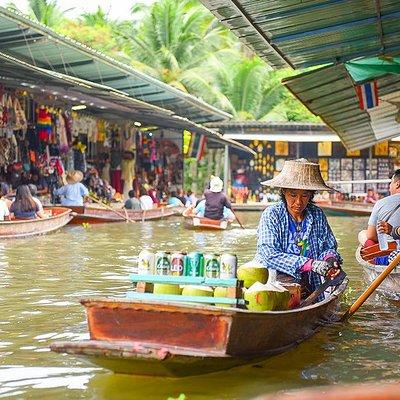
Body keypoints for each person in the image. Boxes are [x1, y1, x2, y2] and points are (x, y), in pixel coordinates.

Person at [254, 159, 342, 295]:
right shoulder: (272, 214)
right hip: (275, 287)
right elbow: (268, 255)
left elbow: (328, 247)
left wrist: (330, 261)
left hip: (310, 285)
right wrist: (309, 264)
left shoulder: (317, 214)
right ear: (284, 191)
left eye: (305, 195)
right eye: (293, 195)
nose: (298, 202)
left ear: (311, 195)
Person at [359, 169, 400, 247]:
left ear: (397, 184)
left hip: (389, 248)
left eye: (391, 182)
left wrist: (391, 232)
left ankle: (373, 249)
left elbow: (371, 235)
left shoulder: (381, 203)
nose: (389, 186)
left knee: (363, 234)